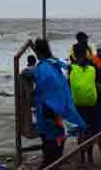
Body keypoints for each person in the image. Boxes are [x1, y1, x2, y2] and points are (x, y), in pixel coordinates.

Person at [24, 39, 85, 169]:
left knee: (50, 143)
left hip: (49, 112)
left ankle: (50, 164)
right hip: (61, 109)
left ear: (38, 52)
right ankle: (52, 162)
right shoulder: (55, 64)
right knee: (57, 141)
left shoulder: (42, 68)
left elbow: (32, 76)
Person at [70, 43, 101, 165]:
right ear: (86, 53)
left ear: (74, 54)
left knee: (83, 133)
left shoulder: (71, 69)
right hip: (96, 105)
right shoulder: (93, 68)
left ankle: (85, 160)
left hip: (79, 106)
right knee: (100, 132)